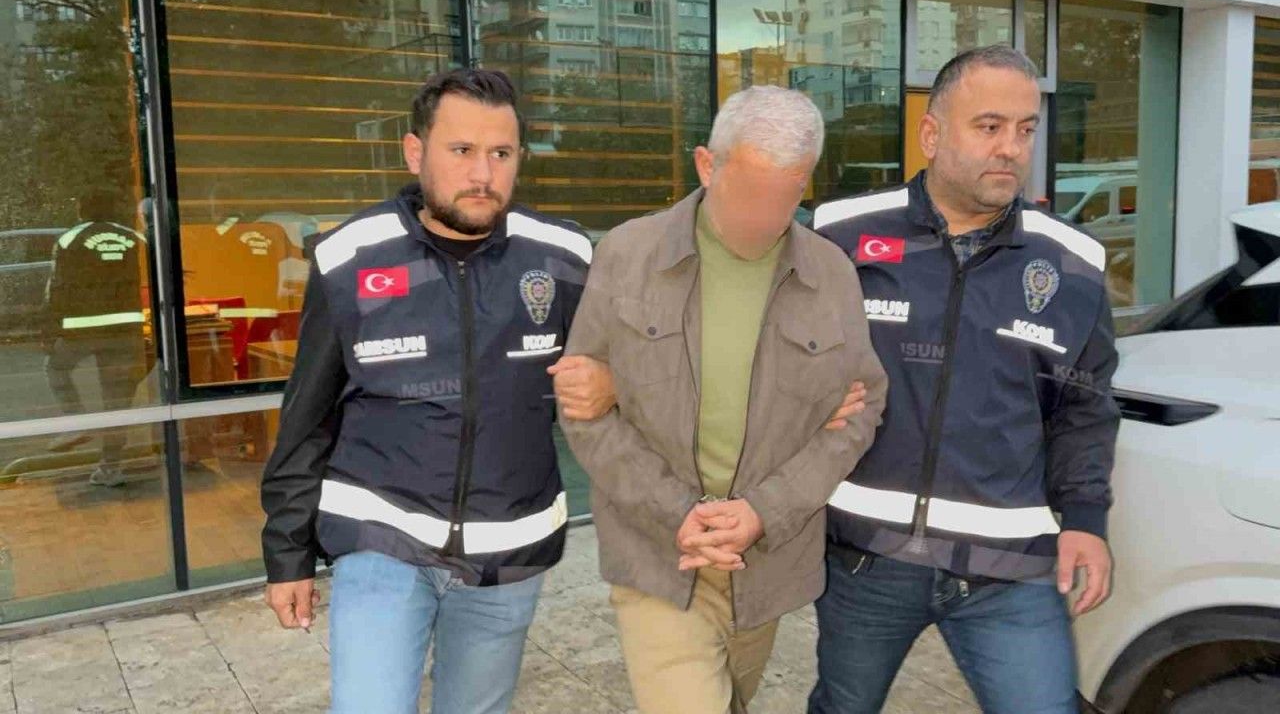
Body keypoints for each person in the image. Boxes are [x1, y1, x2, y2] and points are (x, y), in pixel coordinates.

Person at [260, 68, 594, 714]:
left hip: (509, 552)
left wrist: (609, 382)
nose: (483, 174)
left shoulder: (563, 257)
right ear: (416, 153)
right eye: (461, 150)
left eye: (501, 153)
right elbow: (308, 415)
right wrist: (288, 554)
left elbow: (621, 373)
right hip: (381, 542)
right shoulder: (352, 257)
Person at [807, 45, 1121, 714]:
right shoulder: (842, 235)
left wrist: (1086, 519)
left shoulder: (1071, 262)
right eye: (989, 126)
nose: (1011, 147)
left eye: (1025, 129)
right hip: (865, 557)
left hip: (1010, 569)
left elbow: (1084, 406)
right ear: (932, 133)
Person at [556, 85, 888, 714]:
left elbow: (862, 408)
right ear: (707, 165)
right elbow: (584, 408)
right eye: (751, 193)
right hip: (659, 554)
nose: (766, 217)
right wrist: (677, 511)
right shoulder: (628, 254)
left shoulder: (831, 274)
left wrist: (765, 510)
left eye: (788, 195)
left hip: (761, 563)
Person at [44, 188, 149, 486]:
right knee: (117, 401)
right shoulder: (134, 238)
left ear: (82, 209)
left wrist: (49, 331)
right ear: (112, 209)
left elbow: (56, 289)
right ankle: (110, 468)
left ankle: (77, 421)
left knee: (56, 367)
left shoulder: (69, 239)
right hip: (126, 329)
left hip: (82, 329)